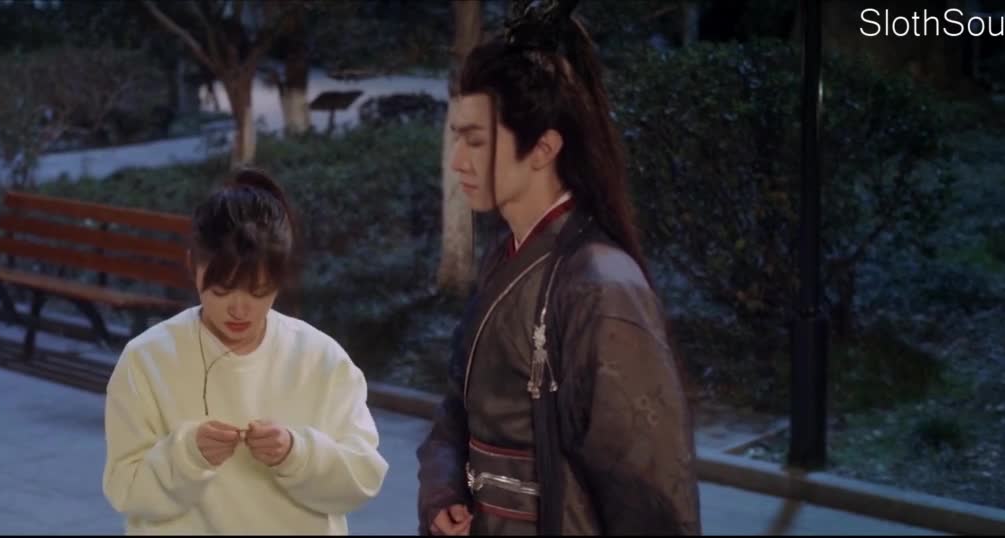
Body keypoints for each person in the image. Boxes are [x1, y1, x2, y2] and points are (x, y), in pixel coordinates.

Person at [415, 0, 701, 535]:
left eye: (476, 141)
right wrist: (443, 492)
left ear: (543, 148)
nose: (458, 161)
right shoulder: (504, 259)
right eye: (457, 137)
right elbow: (456, 410)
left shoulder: (601, 284)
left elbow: (649, 492)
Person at [102, 168, 389, 535]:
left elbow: (363, 477)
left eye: (258, 291)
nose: (239, 310)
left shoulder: (321, 359)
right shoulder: (147, 360)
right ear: (192, 266)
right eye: (221, 291)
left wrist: (297, 453)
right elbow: (125, 490)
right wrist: (187, 456)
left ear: (280, 279)